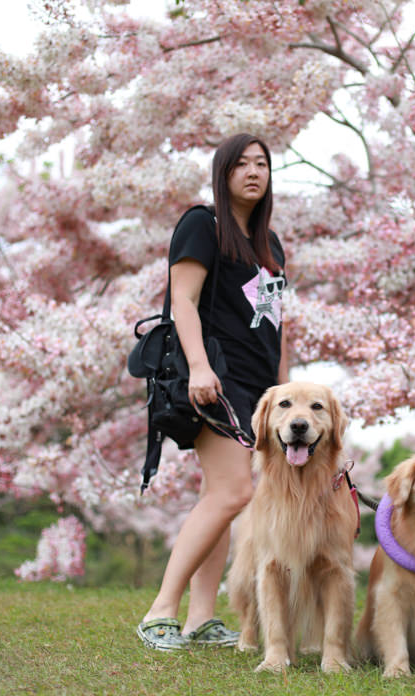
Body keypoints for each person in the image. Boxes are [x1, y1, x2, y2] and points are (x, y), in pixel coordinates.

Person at [136, 133, 288, 651]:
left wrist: (285, 397)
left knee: (220, 497)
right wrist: (200, 368)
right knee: (233, 493)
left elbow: (275, 327)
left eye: (262, 164)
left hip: (261, 391)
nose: (253, 172)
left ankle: (201, 618)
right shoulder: (203, 225)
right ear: (223, 174)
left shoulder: (272, 247)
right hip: (216, 381)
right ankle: (160, 611)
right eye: (241, 164)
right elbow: (183, 300)